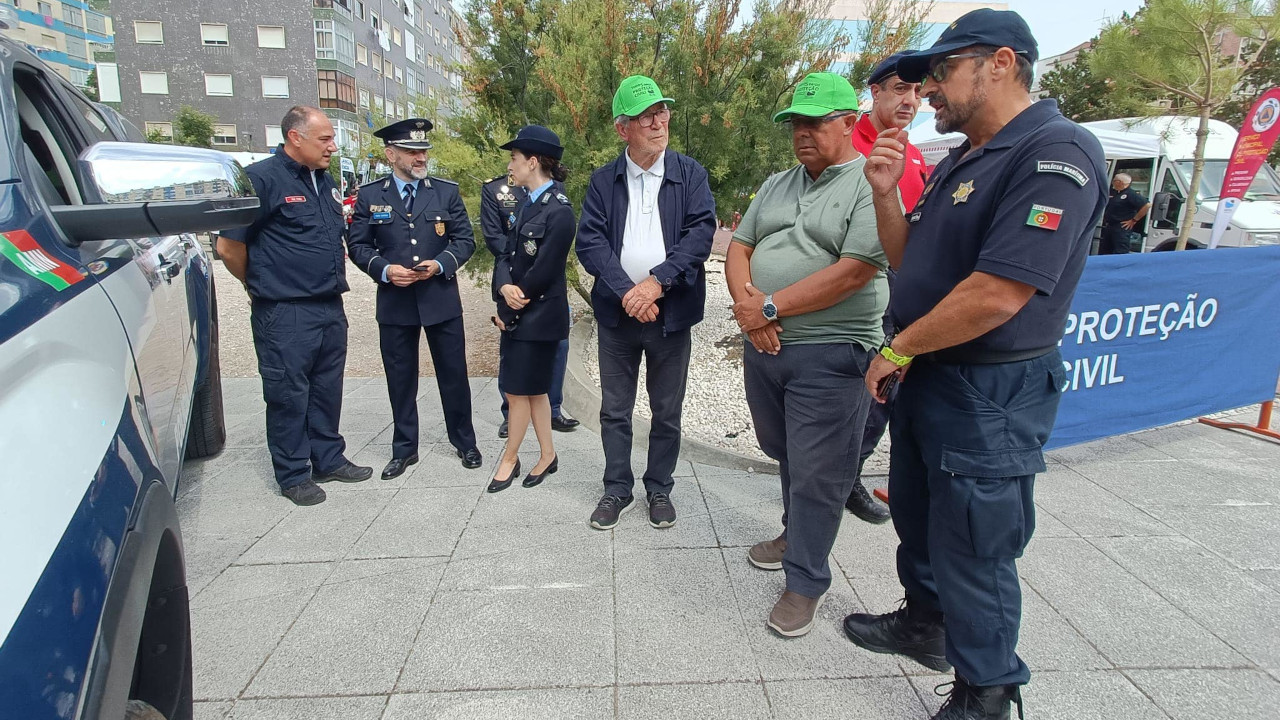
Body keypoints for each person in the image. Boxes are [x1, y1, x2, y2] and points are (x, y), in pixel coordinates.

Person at [842, 10, 1107, 719]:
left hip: (989, 390)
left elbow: (997, 294)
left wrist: (898, 348)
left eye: (941, 71)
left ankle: (988, 689)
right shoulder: (967, 156)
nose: (927, 90)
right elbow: (911, 264)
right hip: (931, 372)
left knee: (977, 545)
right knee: (923, 520)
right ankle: (924, 623)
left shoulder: (1055, 153)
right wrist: (883, 192)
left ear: (1000, 63)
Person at [727, 72, 889, 638]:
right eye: (795, 122)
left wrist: (767, 308)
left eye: (815, 122)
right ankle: (796, 534)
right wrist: (751, 310)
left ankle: (805, 581)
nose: (802, 132)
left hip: (831, 350)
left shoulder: (870, 184)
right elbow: (739, 247)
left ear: (850, 123)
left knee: (819, 470)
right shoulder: (777, 184)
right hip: (767, 344)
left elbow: (856, 270)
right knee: (785, 449)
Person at [576, 75, 717, 530]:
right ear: (623, 130)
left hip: (670, 314)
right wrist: (627, 293)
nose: (658, 122)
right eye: (645, 116)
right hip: (620, 318)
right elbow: (591, 242)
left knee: (666, 409)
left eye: (662, 112)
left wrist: (656, 284)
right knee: (614, 408)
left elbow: (699, 236)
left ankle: (659, 486)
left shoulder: (689, 173)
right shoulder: (604, 180)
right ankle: (617, 489)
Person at [216, 106, 372, 506]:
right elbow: (229, 247)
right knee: (288, 393)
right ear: (295, 138)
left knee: (326, 388)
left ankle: (328, 458)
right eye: (325, 139)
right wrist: (259, 285)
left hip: (328, 304)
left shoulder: (325, 180)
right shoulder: (260, 179)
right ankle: (292, 473)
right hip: (284, 309)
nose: (333, 147)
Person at [346, 118, 482, 480]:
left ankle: (465, 442)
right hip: (395, 302)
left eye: (423, 151)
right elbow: (358, 245)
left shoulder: (444, 192)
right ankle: (404, 449)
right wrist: (385, 270)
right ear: (391, 155)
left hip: (440, 299)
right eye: (411, 152)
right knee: (400, 378)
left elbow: (464, 241)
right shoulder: (372, 195)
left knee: (454, 375)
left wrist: (439, 265)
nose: (420, 158)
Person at [842, 51, 930, 525]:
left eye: (917, 91)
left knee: (889, 387)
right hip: (866, 278)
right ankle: (834, 478)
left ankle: (848, 474)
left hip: (908, 282)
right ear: (874, 92)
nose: (910, 100)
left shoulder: (911, 149)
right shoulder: (850, 142)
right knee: (868, 384)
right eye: (899, 89)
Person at [486, 126, 577, 492]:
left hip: (538, 317)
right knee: (533, 390)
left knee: (518, 390)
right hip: (518, 309)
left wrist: (510, 305)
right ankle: (547, 454)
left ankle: (510, 458)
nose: (510, 165)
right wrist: (502, 287)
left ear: (533, 162)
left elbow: (544, 270)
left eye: (514, 158)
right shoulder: (527, 202)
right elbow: (507, 253)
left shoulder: (559, 211)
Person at [480, 174, 580, 439]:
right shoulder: (495, 190)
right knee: (513, 350)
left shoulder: (553, 190)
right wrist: (509, 279)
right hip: (512, 280)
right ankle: (511, 413)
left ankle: (553, 408)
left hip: (545, 286)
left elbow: (552, 248)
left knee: (556, 346)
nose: (513, 161)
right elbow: (495, 238)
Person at [1099, 173, 1150, 254]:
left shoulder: (1130, 194)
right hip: (1110, 226)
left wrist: (1134, 220)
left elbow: (1147, 205)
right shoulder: (1117, 193)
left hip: (1121, 227)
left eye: (1114, 181)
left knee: (1120, 251)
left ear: (1120, 182)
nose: (1112, 183)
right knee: (1105, 251)